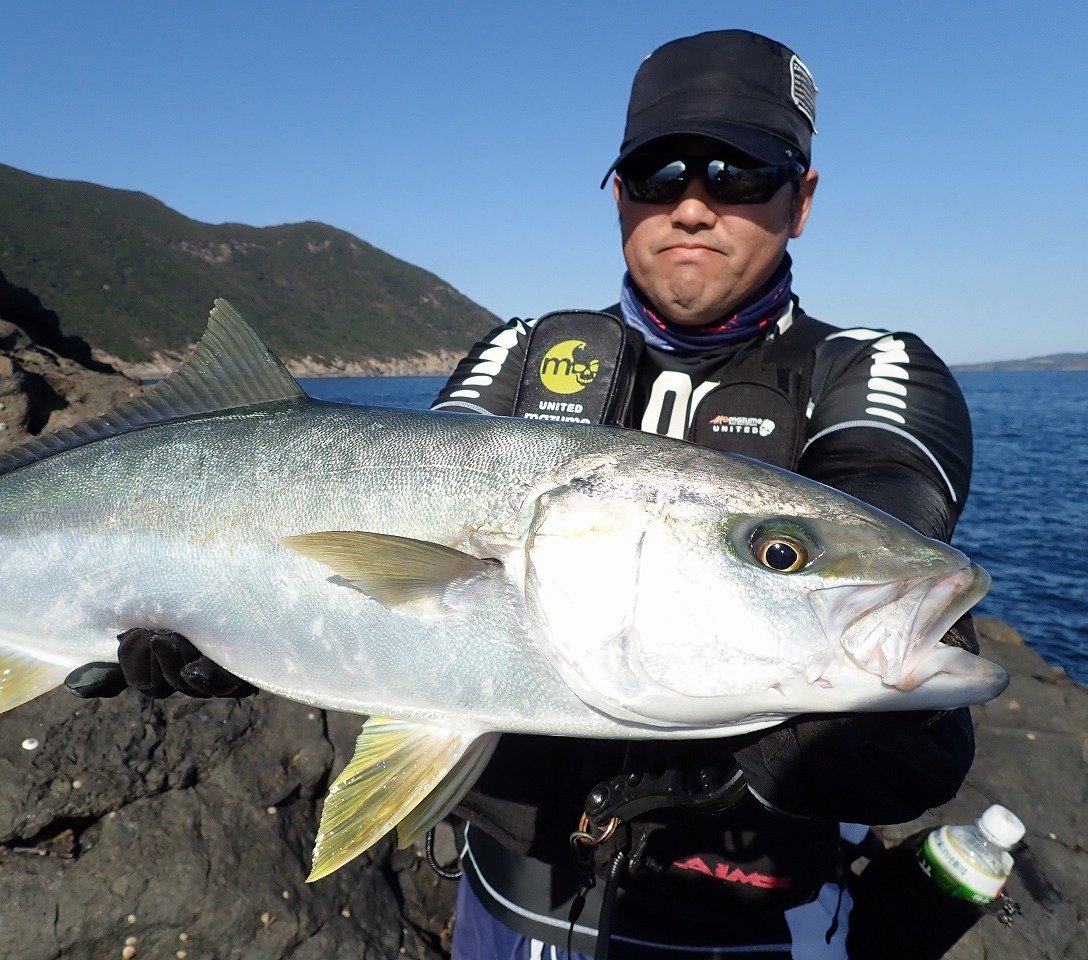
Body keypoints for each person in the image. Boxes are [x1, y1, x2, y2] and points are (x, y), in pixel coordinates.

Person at [67, 29, 979, 960]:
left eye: (742, 172)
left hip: (748, 921)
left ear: (804, 198)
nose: (695, 205)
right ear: (620, 192)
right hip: (504, 898)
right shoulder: (523, 351)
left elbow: (887, 507)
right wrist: (244, 626)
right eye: (661, 172)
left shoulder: (869, 370)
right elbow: (403, 551)